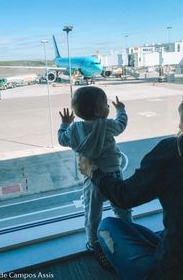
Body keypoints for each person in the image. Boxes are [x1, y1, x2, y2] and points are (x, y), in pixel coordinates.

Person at [79, 76, 183, 280]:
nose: (179, 107)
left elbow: (124, 196)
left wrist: (93, 171)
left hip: (175, 271)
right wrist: (121, 111)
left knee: (107, 227)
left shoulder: (175, 151)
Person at [58, 86, 132, 268]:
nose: (108, 106)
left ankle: (92, 242)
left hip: (92, 180)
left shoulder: (75, 129)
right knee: (122, 208)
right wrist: (121, 110)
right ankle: (130, 231)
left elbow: (61, 139)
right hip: (113, 176)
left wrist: (65, 124)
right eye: (106, 104)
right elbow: (121, 124)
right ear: (100, 111)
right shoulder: (107, 125)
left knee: (92, 215)